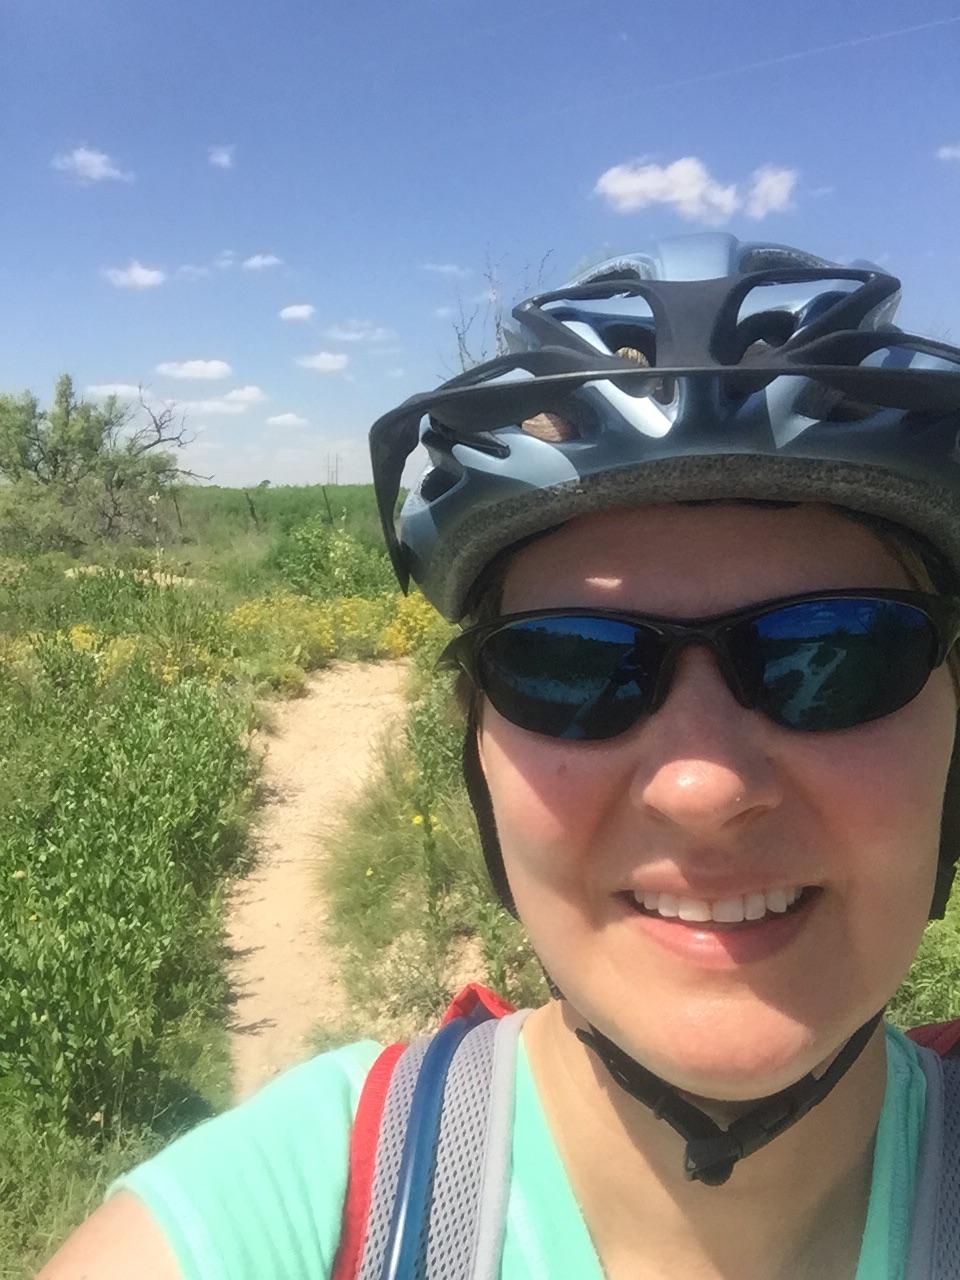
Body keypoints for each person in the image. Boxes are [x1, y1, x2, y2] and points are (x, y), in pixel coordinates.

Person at [40, 233, 960, 1279]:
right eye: (568, 664)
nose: (705, 786)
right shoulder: (313, 1211)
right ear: (476, 755)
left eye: (835, 655)